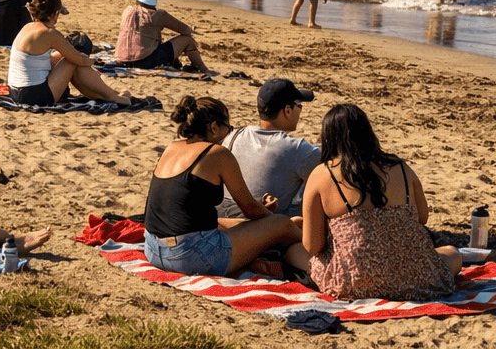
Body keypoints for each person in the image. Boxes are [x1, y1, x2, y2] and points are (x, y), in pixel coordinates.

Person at [301, 103, 461, 299]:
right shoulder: (401, 168)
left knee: (297, 254)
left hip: (353, 282)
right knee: (453, 253)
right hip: (414, 279)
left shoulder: (322, 174)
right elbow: (422, 218)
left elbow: (312, 246)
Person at [143, 96, 307, 276]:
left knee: (229, 222)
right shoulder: (217, 153)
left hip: (153, 250)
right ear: (214, 127)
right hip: (190, 257)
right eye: (228, 129)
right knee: (281, 223)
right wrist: (270, 221)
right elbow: (251, 209)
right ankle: (315, 246)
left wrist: (259, 217)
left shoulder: (171, 148)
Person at [218, 78, 321, 220]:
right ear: (287, 110)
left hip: (226, 219)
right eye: (299, 106)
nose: (300, 111)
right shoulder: (297, 148)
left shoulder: (234, 136)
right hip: (266, 226)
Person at [8, 0, 132, 106]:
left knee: (70, 58)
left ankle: (107, 95)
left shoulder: (29, 27)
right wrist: (93, 61)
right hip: (32, 97)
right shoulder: (50, 33)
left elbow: (44, 60)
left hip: (16, 92)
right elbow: (79, 60)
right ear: (55, 14)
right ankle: (111, 96)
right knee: (72, 61)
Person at [115, 0, 207, 71]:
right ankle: (203, 68)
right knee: (188, 40)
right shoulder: (158, 15)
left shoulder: (127, 11)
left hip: (122, 59)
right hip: (145, 61)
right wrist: (192, 29)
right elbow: (186, 30)